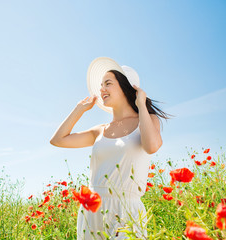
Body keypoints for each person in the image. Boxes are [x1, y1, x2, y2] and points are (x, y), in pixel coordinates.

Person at [50, 57, 172, 239]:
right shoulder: (100, 130)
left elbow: (152, 146)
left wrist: (141, 105)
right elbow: (58, 140)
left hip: (126, 209)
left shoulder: (147, 120)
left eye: (108, 83)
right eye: (101, 85)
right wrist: (79, 109)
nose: (101, 89)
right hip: (93, 209)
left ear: (126, 87)